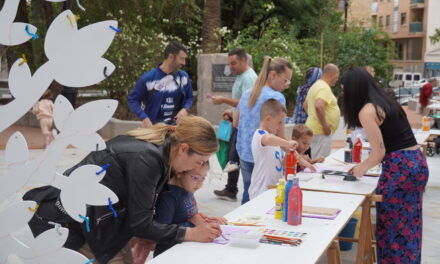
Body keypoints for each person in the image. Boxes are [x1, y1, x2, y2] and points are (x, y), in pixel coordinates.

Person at [24, 116, 221, 264]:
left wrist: (192, 219)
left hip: (102, 226)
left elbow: (145, 208)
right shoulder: (147, 158)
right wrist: (191, 234)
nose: (196, 168)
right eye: (199, 161)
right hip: (80, 228)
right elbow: (140, 223)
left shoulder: (161, 152)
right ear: (184, 148)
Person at [342, 67, 428, 263]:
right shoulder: (387, 101)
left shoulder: (367, 110)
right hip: (416, 163)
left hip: (400, 168)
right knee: (410, 227)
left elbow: (379, 152)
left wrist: (359, 169)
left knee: (393, 229)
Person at [132, 162, 227, 262]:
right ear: (180, 173)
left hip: (187, 248)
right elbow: (162, 231)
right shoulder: (169, 197)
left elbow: (190, 215)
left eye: (203, 178)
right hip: (169, 254)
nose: (200, 183)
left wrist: (209, 222)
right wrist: (194, 228)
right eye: (195, 178)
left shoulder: (188, 189)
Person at [234, 56, 292, 204]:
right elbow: (280, 133)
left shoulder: (247, 93)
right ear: (273, 75)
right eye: (285, 80)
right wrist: (293, 150)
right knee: (263, 199)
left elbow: (235, 122)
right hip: (264, 155)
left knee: (249, 191)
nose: (287, 85)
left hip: (244, 152)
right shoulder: (276, 98)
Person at [210, 48, 257, 201]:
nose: (231, 67)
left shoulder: (249, 78)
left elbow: (247, 102)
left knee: (235, 159)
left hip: (244, 126)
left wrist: (223, 100)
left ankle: (242, 193)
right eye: (230, 63)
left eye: (234, 63)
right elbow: (240, 101)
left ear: (244, 61)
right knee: (232, 158)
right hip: (237, 121)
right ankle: (231, 189)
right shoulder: (241, 76)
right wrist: (231, 112)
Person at [128, 41, 193, 127]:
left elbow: (189, 97)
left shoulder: (184, 77)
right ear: (171, 57)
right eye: (181, 59)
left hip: (177, 128)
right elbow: (133, 100)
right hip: (154, 129)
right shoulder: (148, 78)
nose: (184, 63)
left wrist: (185, 109)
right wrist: (144, 118)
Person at [248, 99, 298, 200]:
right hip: (260, 191)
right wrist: (288, 143)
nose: (280, 127)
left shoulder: (275, 141)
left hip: (274, 190)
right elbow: (268, 139)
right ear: (268, 119)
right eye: (279, 122)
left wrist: (289, 155)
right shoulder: (260, 134)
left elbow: (280, 164)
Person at [304, 64, 340, 159]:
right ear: (331, 75)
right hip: (321, 131)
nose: (337, 79)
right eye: (337, 77)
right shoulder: (324, 87)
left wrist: (314, 117)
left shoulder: (315, 86)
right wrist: (325, 125)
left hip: (315, 129)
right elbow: (319, 105)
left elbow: (305, 105)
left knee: (316, 158)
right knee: (320, 162)